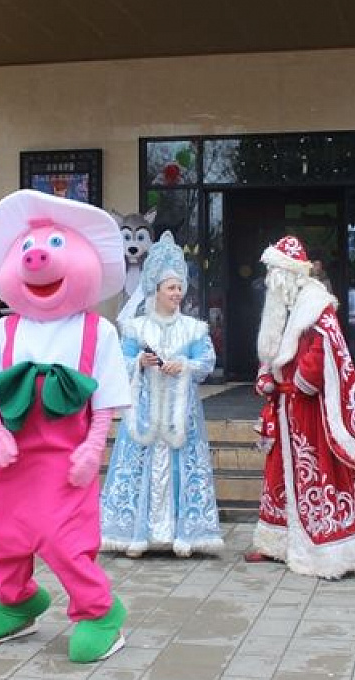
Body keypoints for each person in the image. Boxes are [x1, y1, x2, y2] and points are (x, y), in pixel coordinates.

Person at [0, 190, 132, 663]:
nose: (37, 259)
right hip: (7, 458)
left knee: (64, 540)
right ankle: (16, 600)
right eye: (28, 250)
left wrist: (93, 446)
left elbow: (105, 399)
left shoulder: (98, 331)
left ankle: (100, 612)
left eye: (56, 246)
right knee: (1, 532)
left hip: (64, 458)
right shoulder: (4, 329)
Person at [247, 235, 355, 579]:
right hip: (285, 407)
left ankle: (328, 550)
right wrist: (267, 376)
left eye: (274, 271)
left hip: (310, 409)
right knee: (281, 473)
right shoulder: (281, 305)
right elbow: (271, 349)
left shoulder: (316, 305)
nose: (269, 279)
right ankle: (278, 542)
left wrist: (298, 383)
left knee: (316, 470)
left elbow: (326, 351)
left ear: (288, 273)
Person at [101, 232, 223, 558]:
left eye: (179, 287)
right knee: (139, 465)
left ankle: (183, 535)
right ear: (156, 290)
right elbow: (120, 360)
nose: (177, 293)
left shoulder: (194, 328)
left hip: (181, 415)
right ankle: (137, 533)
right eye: (171, 288)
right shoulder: (136, 327)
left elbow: (206, 362)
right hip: (145, 413)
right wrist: (140, 362)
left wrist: (184, 365)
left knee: (183, 466)